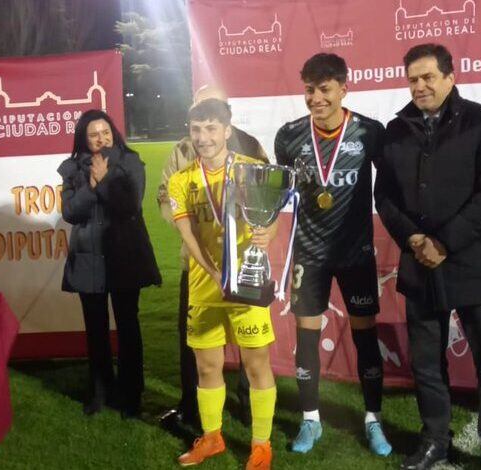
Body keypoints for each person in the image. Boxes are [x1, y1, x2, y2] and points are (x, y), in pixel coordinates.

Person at [374, 43, 481, 470]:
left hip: (478, 264)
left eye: (428, 78)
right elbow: (385, 197)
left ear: (450, 77)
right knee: (426, 364)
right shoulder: (396, 129)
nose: (420, 87)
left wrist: (444, 242)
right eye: (413, 80)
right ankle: (435, 440)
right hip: (420, 263)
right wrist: (415, 238)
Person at [274, 53, 391, 456]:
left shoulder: (370, 132)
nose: (316, 98)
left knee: (365, 337)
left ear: (344, 87)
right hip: (310, 253)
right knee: (306, 339)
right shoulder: (288, 136)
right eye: (309, 90)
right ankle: (311, 420)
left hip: (356, 253)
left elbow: (390, 186)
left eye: (325, 89)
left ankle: (373, 418)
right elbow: (278, 194)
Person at [169, 98, 277, 469]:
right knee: (207, 367)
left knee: (257, 364)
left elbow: (270, 218)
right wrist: (214, 273)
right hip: (205, 286)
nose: (204, 137)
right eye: (197, 130)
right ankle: (212, 437)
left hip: (247, 283)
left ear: (227, 130)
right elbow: (187, 235)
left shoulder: (251, 170)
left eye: (212, 128)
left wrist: (268, 235)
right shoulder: (181, 181)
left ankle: (261, 445)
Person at [58, 109, 161, 419]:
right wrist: (90, 188)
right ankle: (100, 391)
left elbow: (130, 206)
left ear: (113, 133)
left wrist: (103, 182)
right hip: (88, 260)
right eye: (93, 134)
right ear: (83, 139)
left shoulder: (130, 161)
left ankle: (131, 395)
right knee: (96, 330)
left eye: (105, 132)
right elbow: (70, 212)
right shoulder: (72, 168)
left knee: (128, 327)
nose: (100, 138)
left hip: (124, 256)